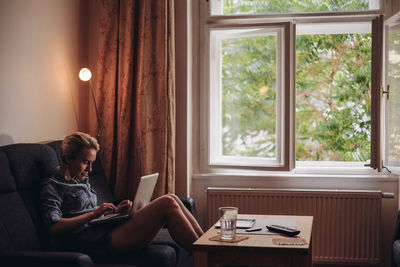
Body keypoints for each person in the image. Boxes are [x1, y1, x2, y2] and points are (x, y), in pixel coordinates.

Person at [40, 132, 203, 256]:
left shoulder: (79, 178)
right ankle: (208, 258)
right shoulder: (53, 186)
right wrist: (93, 214)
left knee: (172, 197)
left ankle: (211, 251)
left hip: (104, 230)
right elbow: (54, 226)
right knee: (167, 202)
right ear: (68, 159)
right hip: (92, 243)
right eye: (85, 162)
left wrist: (116, 211)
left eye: (92, 163)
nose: (90, 169)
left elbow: (89, 211)